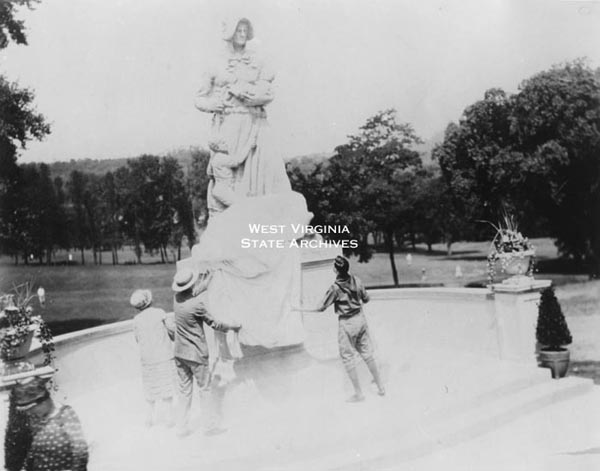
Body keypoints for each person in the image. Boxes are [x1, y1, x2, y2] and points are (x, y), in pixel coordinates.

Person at [194, 17, 290, 217]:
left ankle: (269, 217)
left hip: (255, 122)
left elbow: (268, 91)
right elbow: (199, 98)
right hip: (227, 125)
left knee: (269, 170)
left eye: (246, 30)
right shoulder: (215, 63)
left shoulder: (257, 60)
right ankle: (233, 219)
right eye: (239, 29)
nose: (243, 33)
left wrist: (249, 96)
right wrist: (212, 104)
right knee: (229, 177)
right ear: (229, 31)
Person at [298, 256, 385, 402]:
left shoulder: (335, 288)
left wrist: (300, 308)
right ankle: (381, 386)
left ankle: (359, 394)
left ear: (336, 270)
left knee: (348, 358)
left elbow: (320, 308)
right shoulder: (357, 280)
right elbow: (366, 299)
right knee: (367, 354)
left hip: (347, 323)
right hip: (360, 319)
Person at [172, 267, 241, 437]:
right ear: (191, 284)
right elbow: (215, 324)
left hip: (179, 352)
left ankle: (181, 427)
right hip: (196, 353)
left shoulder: (177, 299)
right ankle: (209, 426)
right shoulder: (198, 304)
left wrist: (208, 280)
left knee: (184, 391)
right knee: (204, 389)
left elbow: (194, 292)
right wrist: (232, 326)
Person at [11, 375, 89, 471]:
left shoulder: (65, 415)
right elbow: (34, 452)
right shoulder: (36, 420)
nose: (29, 412)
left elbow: (80, 451)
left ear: (43, 401)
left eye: (31, 408)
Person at [130, 289, 175, 427]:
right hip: (164, 356)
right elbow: (172, 330)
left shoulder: (136, 320)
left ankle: (149, 418)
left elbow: (137, 338)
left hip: (147, 359)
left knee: (151, 389)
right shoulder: (160, 313)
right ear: (149, 301)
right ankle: (168, 418)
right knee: (166, 388)